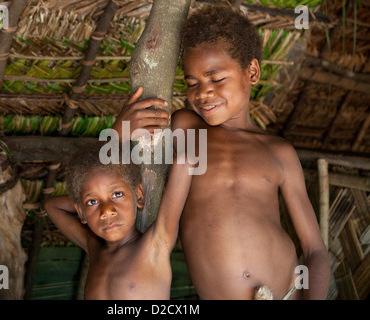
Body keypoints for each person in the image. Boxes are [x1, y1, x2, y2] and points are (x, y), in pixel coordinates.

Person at [111, 4, 330, 300]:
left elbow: (315, 249)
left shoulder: (279, 152)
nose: (203, 93)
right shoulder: (186, 129)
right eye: (192, 83)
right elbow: (114, 177)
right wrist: (119, 132)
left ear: (251, 71)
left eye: (216, 78)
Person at [44, 140, 193, 299]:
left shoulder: (155, 245)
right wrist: (83, 205)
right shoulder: (95, 250)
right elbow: (51, 206)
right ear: (81, 212)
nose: (106, 211)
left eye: (117, 194)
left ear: (139, 196)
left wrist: (88, 203)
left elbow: (184, 162)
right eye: (93, 202)